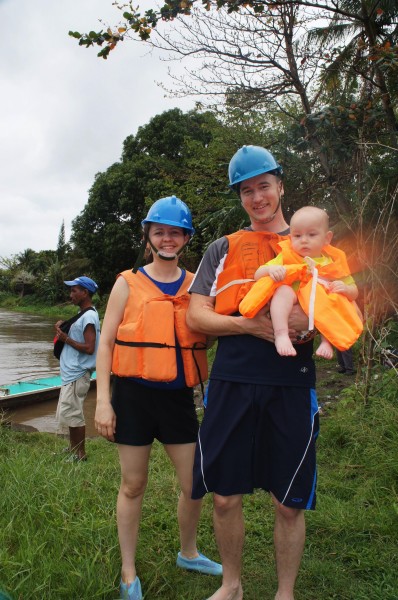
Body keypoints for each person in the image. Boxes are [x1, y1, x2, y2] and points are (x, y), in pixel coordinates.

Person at [186, 145, 324, 600]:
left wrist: (304, 323)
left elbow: (336, 309)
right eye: (247, 190)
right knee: (224, 495)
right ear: (240, 197)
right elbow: (197, 317)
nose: (257, 197)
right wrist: (250, 326)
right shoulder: (221, 248)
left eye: (264, 185)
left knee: (288, 503)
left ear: (280, 185)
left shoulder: (310, 241)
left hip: (290, 383)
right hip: (232, 381)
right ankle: (232, 585)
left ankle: (285, 593)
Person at [94, 196, 222, 600]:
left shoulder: (196, 284)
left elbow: (214, 328)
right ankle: (128, 572)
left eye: (175, 232)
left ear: (186, 238)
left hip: (178, 399)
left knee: (193, 485)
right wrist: (102, 401)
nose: (167, 239)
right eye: (159, 232)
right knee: (133, 485)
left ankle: (188, 552)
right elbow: (105, 344)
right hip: (132, 397)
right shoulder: (126, 283)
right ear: (149, 236)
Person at [239, 206, 362, 359]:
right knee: (283, 291)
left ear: (327, 238)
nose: (304, 240)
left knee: (335, 299)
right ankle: (281, 334)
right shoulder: (286, 257)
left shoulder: (332, 263)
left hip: (317, 309)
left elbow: (354, 291)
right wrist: (272, 270)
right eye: (297, 236)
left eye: (311, 234)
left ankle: (327, 341)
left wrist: (345, 289)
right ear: (290, 239)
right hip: (292, 303)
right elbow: (258, 274)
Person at [55, 276, 100, 462]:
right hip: (72, 373)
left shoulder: (89, 316)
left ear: (85, 293)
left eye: (74, 290)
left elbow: (90, 348)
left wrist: (66, 339)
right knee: (69, 413)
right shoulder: (86, 313)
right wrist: (62, 330)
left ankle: (80, 454)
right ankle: (73, 448)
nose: (71, 294)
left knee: (74, 414)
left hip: (78, 372)